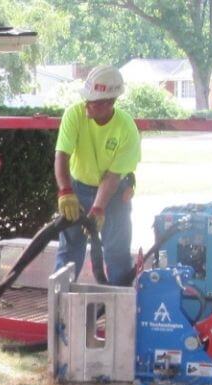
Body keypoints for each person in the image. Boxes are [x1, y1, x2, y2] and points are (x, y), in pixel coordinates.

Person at [53, 65, 142, 286]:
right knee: (70, 250)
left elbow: (113, 177)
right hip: (78, 187)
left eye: (91, 101)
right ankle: (60, 313)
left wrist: (99, 207)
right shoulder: (74, 114)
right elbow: (61, 155)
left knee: (116, 251)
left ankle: (117, 315)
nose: (86, 105)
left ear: (109, 103)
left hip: (114, 192)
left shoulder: (126, 128)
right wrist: (65, 192)